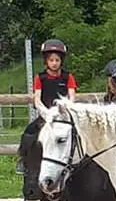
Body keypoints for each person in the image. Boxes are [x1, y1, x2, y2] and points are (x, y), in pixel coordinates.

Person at [16, 39, 78, 174]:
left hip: (63, 115)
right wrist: (46, 112)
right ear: (46, 61)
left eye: (57, 60)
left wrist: (65, 109)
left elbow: (72, 96)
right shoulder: (40, 78)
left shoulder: (68, 77)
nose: (54, 63)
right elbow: (37, 99)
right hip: (46, 115)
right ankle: (23, 160)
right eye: (51, 60)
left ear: (61, 61)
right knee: (29, 132)